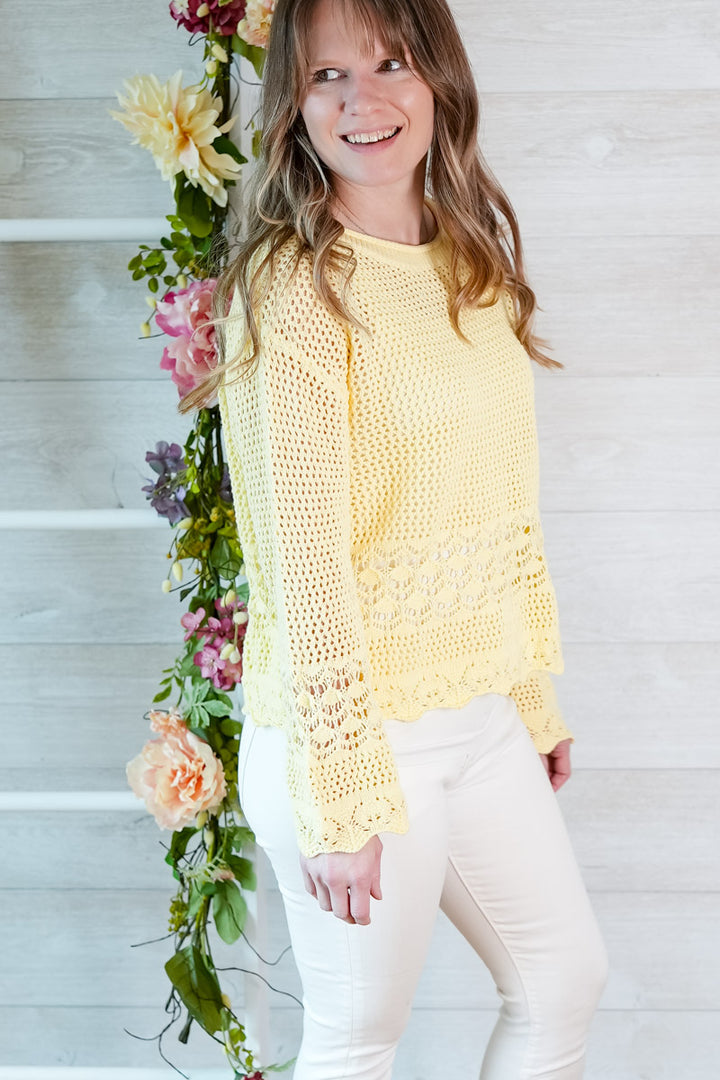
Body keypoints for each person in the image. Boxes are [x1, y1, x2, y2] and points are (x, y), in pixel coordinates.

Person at [182, 0, 610, 1076]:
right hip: (357, 738)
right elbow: (305, 555)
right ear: (294, 105)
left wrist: (529, 692)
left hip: (476, 713)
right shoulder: (294, 289)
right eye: (327, 76)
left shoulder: (472, 263)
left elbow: (501, 495)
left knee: (563, 983)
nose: (361, 100)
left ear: (438, 83)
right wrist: (340, 795)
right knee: (360, 1039)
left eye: (390, 64)